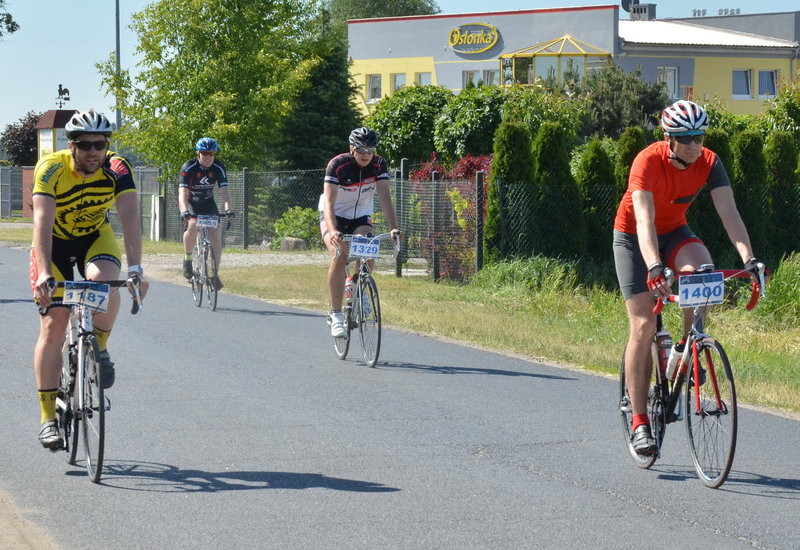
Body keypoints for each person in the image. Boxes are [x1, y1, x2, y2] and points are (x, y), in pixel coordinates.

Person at [613, 100, 762, 456]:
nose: (695, 144)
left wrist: (750, 259)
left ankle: (684, 350)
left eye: (699, 136)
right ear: (669, 138)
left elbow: (730, 214)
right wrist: (653, 267)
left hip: (676, 231)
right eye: (686, 138)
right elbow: (644, 221)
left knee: (704, 277)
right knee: (644, 324)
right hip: (634, 238)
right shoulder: (648, 161)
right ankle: (639, 423)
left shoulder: (709, 162)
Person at [30, 108, 149, 449]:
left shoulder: (117, 168)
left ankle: (101, 347)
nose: (95, 150)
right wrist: (42, 276)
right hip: (53, 244)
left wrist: (137, 269)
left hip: (94, 238)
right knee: (54, 323)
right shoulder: (51, 168)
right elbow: (41, 222)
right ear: (72, 146)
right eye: (86, 145)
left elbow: (129, 217)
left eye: (101, 143)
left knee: (106, 281)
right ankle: (48, 418)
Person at [320, 127, 401, 338]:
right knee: (339, 256)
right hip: (333, 215)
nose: (366, 154)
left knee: (368, 250)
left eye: (370, 149)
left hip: (360, 217)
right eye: (361, 149)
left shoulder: (379, 164)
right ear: (351, 148)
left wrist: (393, 227)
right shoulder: (338, 165)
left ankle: (357, 284)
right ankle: (336, 315)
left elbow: (384, 196)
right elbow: (328, 203)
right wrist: (333, 229)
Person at [178, 137, 233, 290]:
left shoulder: (218, 168)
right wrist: (184, 212)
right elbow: (182, 193)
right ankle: (188, 259)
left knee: (216, 235)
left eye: (211, 153)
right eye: (205, 153)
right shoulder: (189, 168)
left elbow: (224, 193)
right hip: (191, 202)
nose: (208, 157)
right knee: (193, 224)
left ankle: (214, 274)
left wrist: (228, 209)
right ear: (198, 153)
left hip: (208, 204)